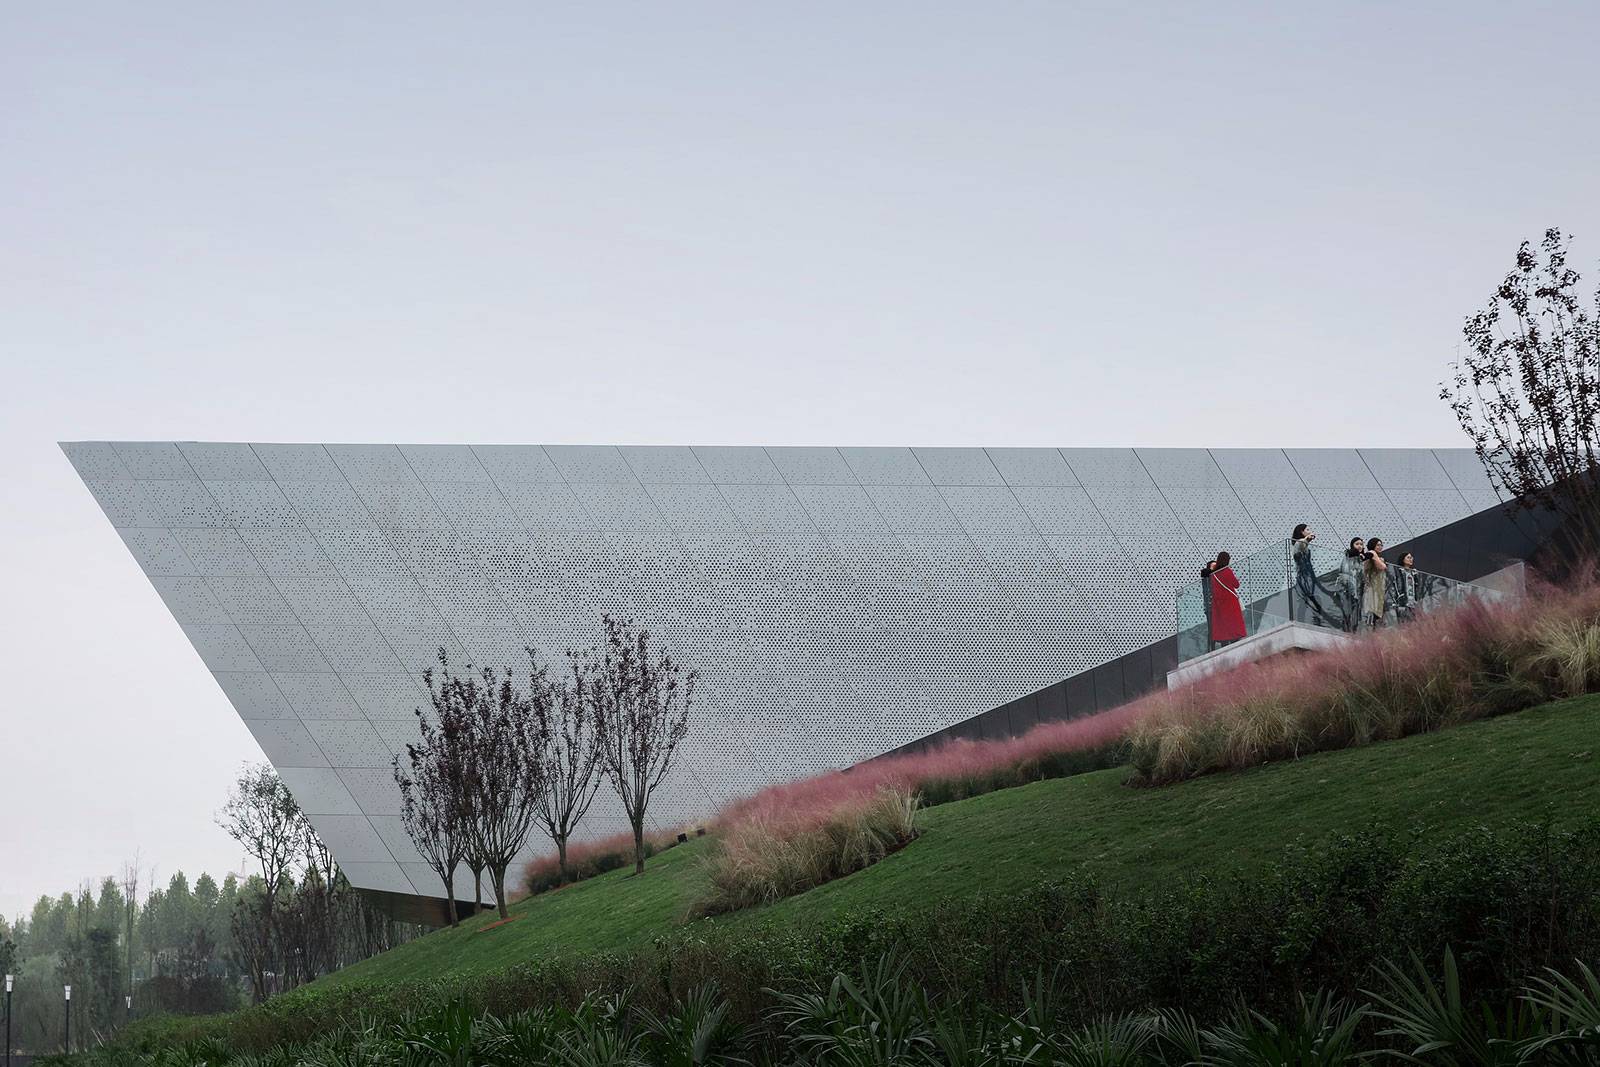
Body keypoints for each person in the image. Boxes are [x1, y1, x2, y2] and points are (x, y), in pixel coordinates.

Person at [1290, 523, 1327, 624]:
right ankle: (1302, 621)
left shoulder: (1304, 545)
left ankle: (1316, 619)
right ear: (1302, 532)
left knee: (1315, 598)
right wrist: (1307, 539)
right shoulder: (1298, 543)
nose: (1309, 531)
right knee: (1305, 600)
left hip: (1308, 576)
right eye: (1307, 530)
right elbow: (1301, 544)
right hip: (1303, 576)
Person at [1209, 550, 1247, 647]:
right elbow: (1236, 584)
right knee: (1234, 624)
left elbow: (1214, 591)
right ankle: (1236, 642)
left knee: (1224, 625)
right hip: (1230, 602)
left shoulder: (1213, 575)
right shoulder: (1227, 571)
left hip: (1220, 604)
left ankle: (1225, 644)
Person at [1338, 537, 1366, 632]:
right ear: (1352, 546)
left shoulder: (1361, 559)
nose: (1359, 546)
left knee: (1356, 614)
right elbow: (1345, 573)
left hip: (1358, 590)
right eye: (1357, 544)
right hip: (1348, 590)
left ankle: (1353, 631)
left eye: (1361, 544)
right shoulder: (1348, 555)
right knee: (1348, 612)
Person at [1362, 537, 1389, 630]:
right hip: (1371, 588)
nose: (1380, 547)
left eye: (1381, 545)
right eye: (1378, 545)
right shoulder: (1371, 554)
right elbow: (1382, 567)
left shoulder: (1377, 557)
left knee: (1378, 612)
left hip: (1379, 588)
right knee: (1372, 611)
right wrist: (1374, 555)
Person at [1389, 550, 1420, 624]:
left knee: (1412, 624)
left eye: (1411, 558)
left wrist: (1416, 576)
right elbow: (1396, 586)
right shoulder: (1399, 571)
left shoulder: (1413, 573)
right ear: (1403, 559)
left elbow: (1417, 587)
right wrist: (1398, 599)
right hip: (1403, 602)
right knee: (1403, 623)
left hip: (1412, 603)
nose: (1411, 559)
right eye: (1408, 557)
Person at [1200, 557, 1217, 650]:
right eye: (1214, 566)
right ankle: (1211, 647)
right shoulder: (1207, 577)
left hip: (1215, 607)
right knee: (1211, 628)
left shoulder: (1214, 577)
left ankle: (1213, 646)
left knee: (1216, 627)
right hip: (1210, 607)